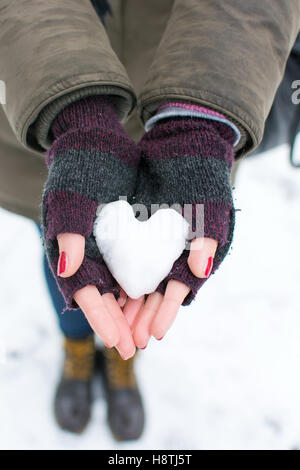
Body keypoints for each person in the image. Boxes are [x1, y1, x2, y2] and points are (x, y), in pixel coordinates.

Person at [0, 0, 299, 440]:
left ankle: (124, 354)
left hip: (183, 95)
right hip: (44, 122)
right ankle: (78, 346)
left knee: (120, 270)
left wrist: (198, 120)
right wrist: (75, 110)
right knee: (67, 250)